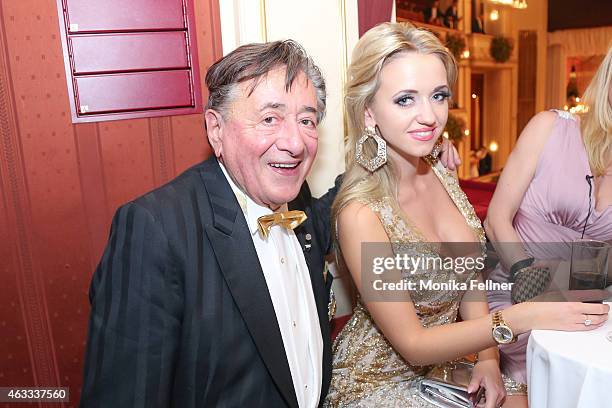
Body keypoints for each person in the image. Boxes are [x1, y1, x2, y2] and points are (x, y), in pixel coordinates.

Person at [324, 22, 609, 408]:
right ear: (369, 112)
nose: (429, 116)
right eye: (405, 100)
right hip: (379, 381)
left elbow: (468, 272)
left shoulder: (441, 172)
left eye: (438, 96)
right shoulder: (359, 212)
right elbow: (414, 345)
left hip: (446, 365)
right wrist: (521, 317)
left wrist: (490, 360)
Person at [80, 40, 340, 408]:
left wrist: (407, 154)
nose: (295, 142)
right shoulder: (155, 230)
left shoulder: (296, 199)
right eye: (270, 118)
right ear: (216, 130)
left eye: (307, 120)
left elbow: (334, 209)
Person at [484, 45, 612, 385]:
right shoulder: (550, 127)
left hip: (586, 307)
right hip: (517, 291)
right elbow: (496, 216)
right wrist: (525, 272)